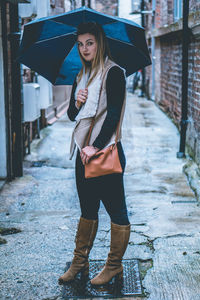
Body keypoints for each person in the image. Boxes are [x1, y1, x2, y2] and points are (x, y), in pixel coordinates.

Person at [58, 22, 130, 286]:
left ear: (99, 43)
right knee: (87, 210)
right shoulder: (82, 75)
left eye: (89, 42)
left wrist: (96, 146)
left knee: (116, 212)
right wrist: (77, 101)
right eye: (80, 44)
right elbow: (71, 116)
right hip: (83, 154)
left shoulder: (114, 73)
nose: (84, 48)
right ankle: (79, 263)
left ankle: (113, 266)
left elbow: (112, 116)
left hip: (105, 153)